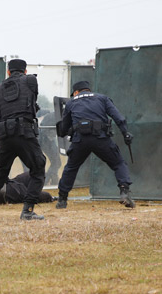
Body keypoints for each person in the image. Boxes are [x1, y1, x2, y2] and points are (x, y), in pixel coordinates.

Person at [0, 59, 46, 220]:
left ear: (8, 71)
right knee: (38, 168)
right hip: (24, 132)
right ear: (25, 71)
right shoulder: (30, 80)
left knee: (1, 171)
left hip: (5, 134)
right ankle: (27, 210)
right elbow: (32, 102)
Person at [55, 81, 135, 209]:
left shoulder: (71, 102)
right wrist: (125, 133)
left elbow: (64, 127)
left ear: (76, 92)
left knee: (71, 168)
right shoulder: (102, 98)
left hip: (79, 140)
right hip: (100, 138)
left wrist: (65, 131)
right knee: (118, 163)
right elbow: (118, 117)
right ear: (88, 90)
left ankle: (62, 199)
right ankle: (124, 192)